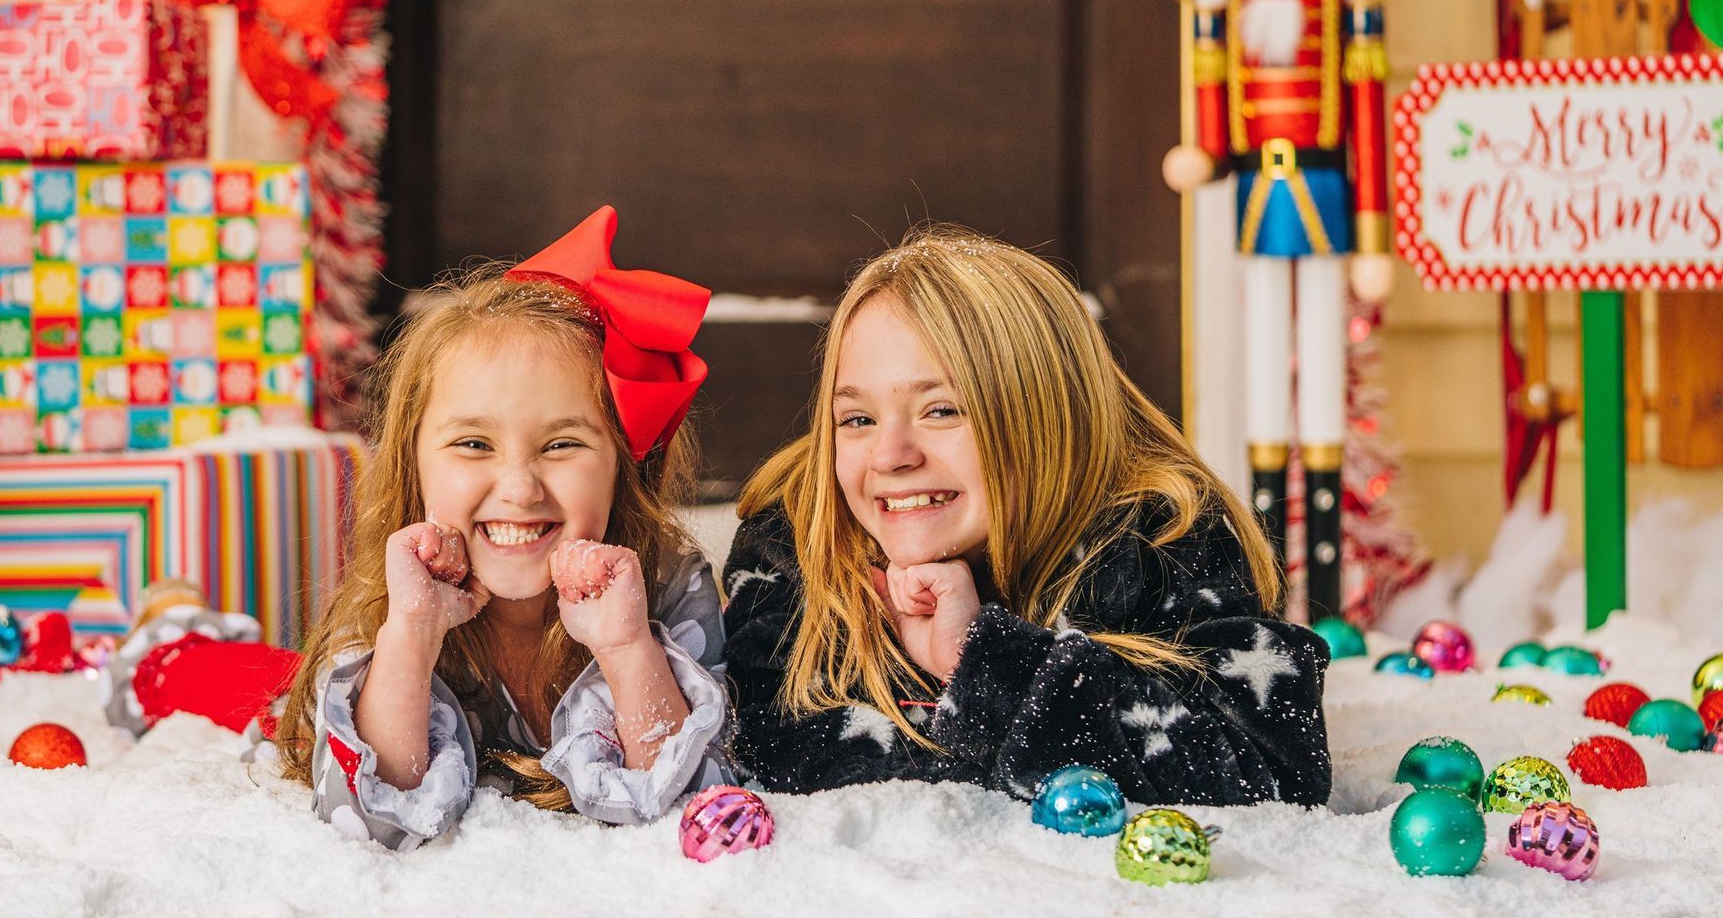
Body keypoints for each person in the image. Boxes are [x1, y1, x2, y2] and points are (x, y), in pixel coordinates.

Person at [724, 224, 1331, 806]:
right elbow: (770, 751)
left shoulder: (1165, 535)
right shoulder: (799, 532)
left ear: (1049, 420)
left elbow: (1270, 775)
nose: (890, 456)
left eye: (941, 410)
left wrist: (983, 662)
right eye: (857, 419)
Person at [276, 207, 730, 848]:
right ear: (415, 464)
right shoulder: (397, 596)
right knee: (216, 673)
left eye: (562, 444)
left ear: (621, 467)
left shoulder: (669, 584)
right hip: (275, 687)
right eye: (472, 444)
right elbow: (371, 819)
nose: (519, 488)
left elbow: (695, 801)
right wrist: (412, 634)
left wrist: (627, 648)